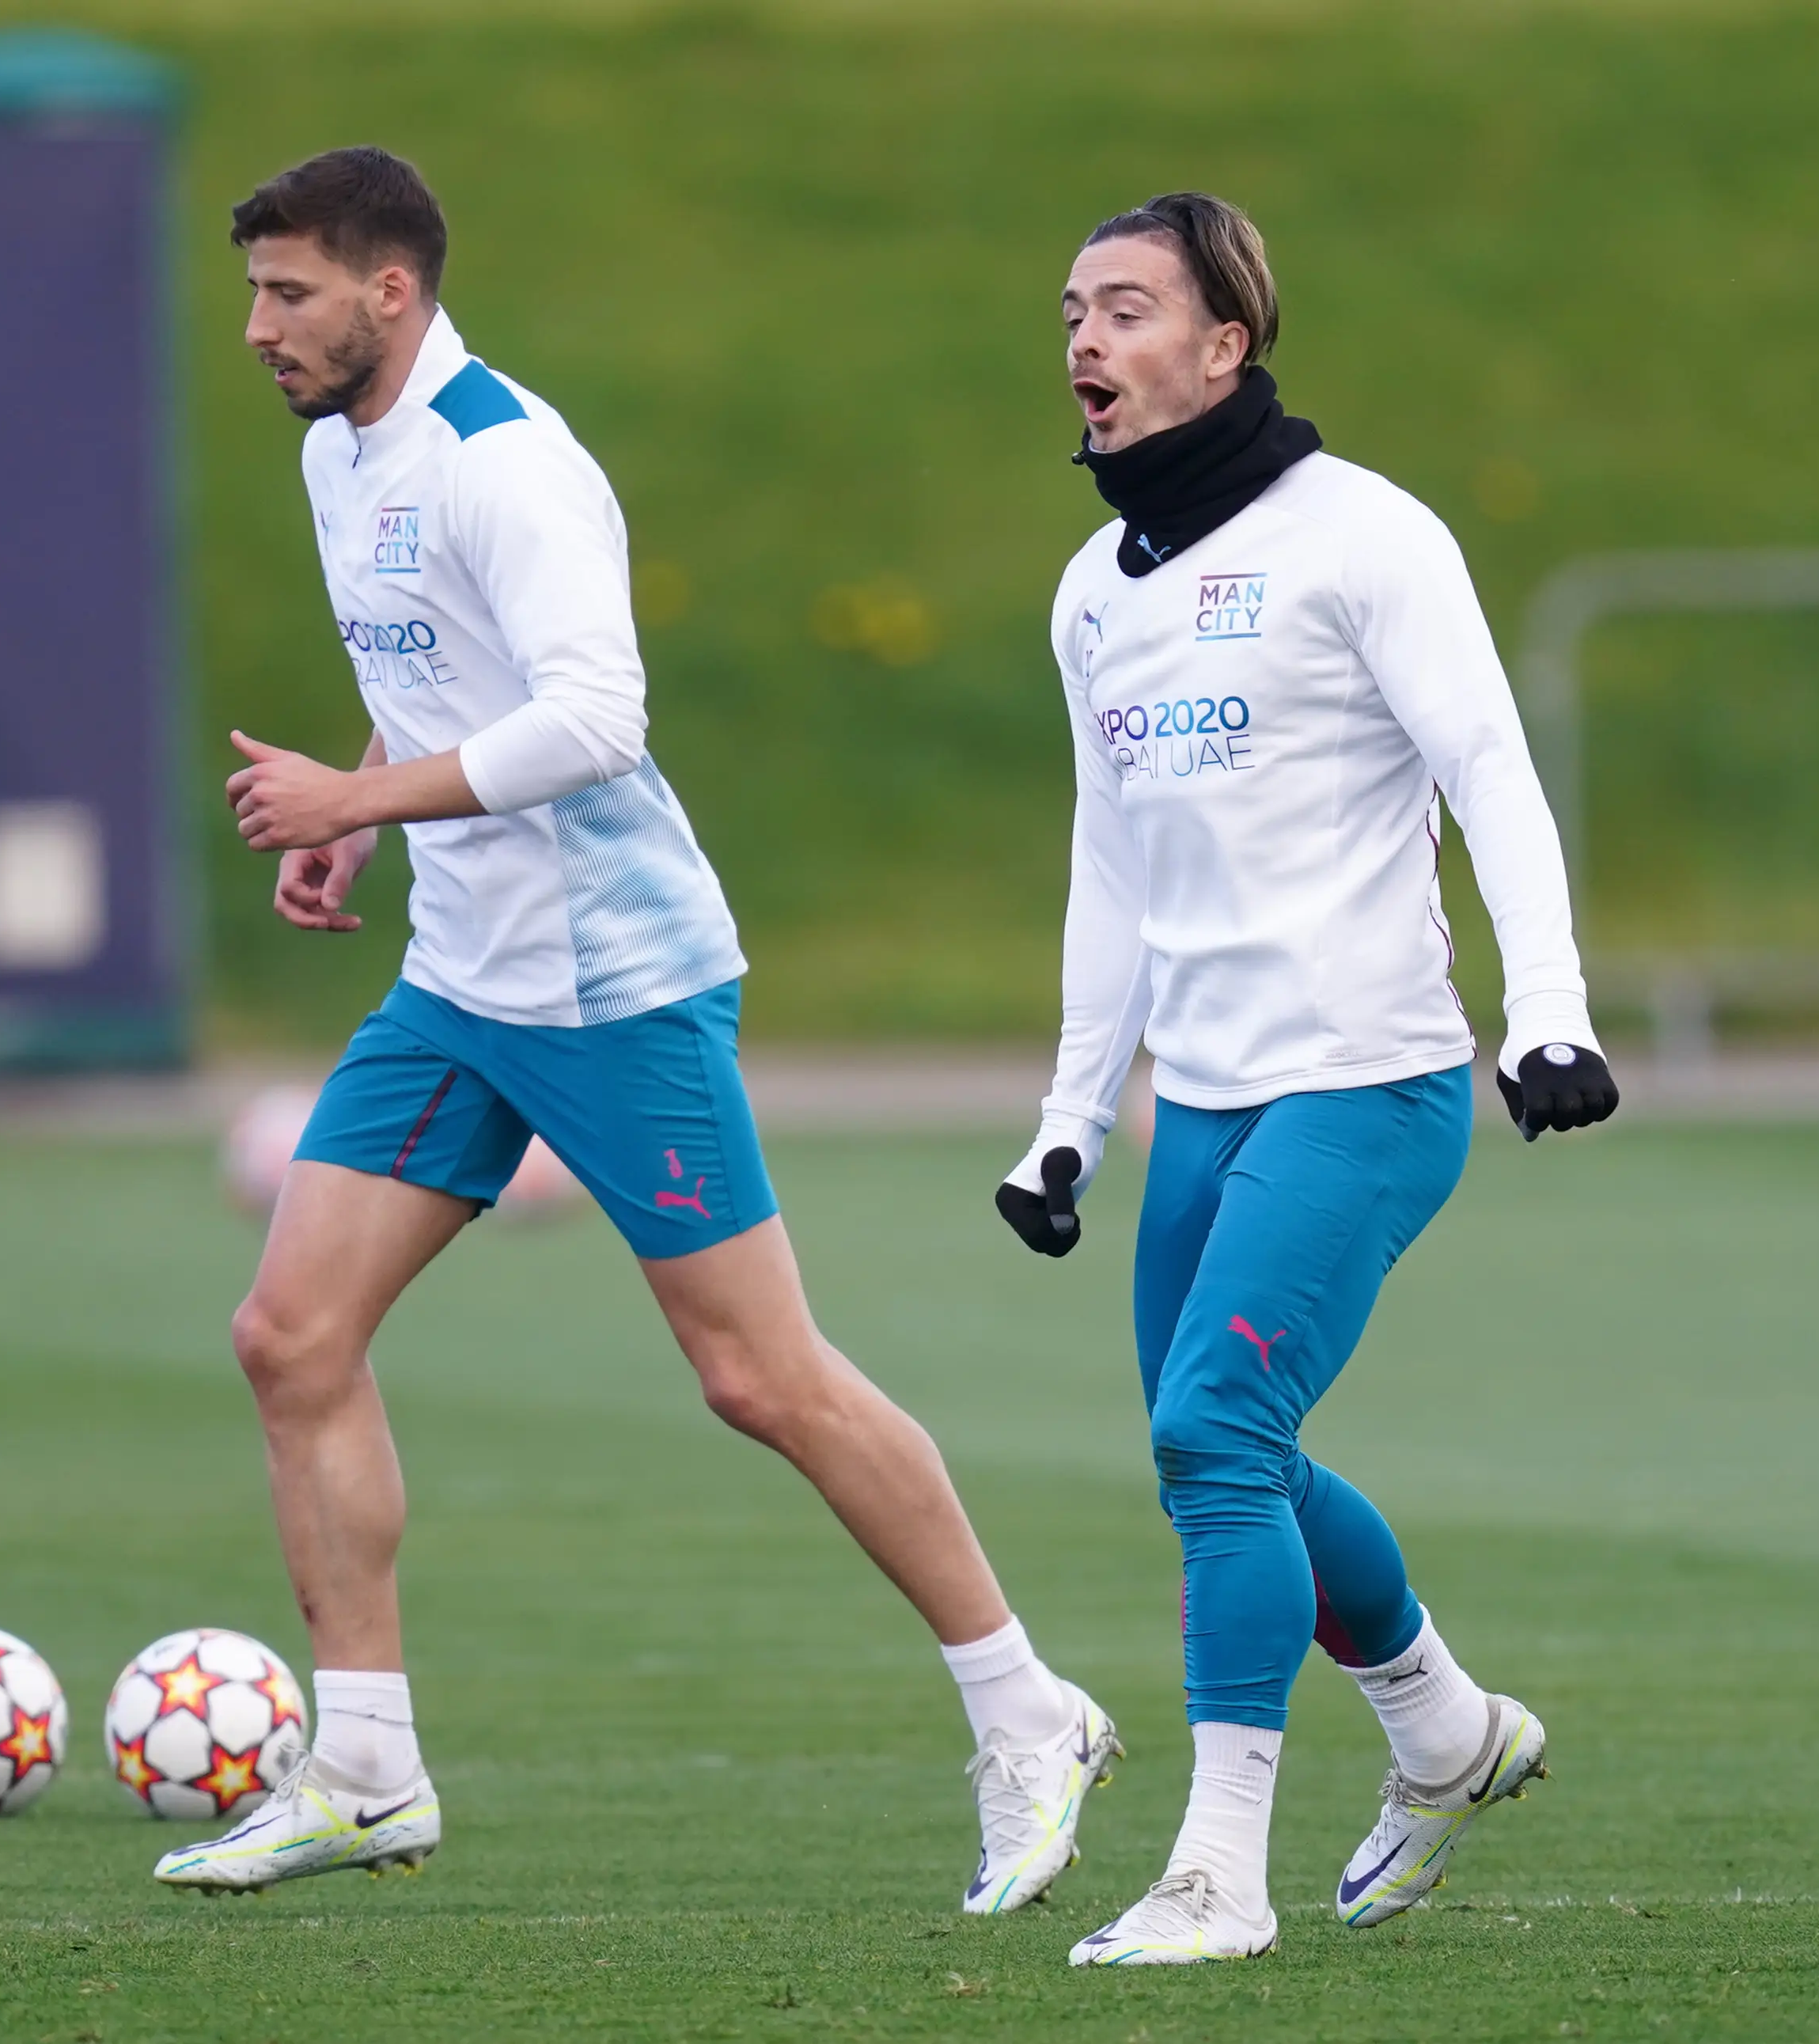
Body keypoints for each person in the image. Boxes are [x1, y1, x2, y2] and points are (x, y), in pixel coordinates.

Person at [157, 146, 1119, 1907]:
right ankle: (364, 1765)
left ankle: (1026, 1705)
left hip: (616, 983)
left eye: (288, 294)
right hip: (463, 979)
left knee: (760, 1376)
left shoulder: (511, 464)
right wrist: (366, 807)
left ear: (392, 294)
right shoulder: (335, 454)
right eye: (254, 293)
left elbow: (598, 716)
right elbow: (441, 687)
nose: (256, 329)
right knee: (291, 1334)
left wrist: (364, 799)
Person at [995, 192, 1618, 1966]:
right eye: (1069, 314)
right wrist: (1062, 1119)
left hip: (1370, 1079)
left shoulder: (1364, 538)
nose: (1085, 345)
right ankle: (1440, 1725)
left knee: (1213, 1432)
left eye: (1123, 310)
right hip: (1202, 1101)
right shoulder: (1091, 595)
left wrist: (1550, 1009)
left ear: (1226, 343)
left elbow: (1490, 769)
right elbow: (1107, 870)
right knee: (1224, 1457)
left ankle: (1214, 1870)